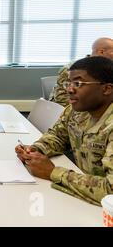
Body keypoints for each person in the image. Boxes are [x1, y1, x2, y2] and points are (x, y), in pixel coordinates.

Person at [16, 56, 113, 206]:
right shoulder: (77, 110)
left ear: (106, 88)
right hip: (84, 200)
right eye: (69, 83)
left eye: (78, 83)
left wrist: (53, 172)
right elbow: (58, 136)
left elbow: (110, 190)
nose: (69, 89)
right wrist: (36, 149)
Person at [49, 37, 113, 106]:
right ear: (101, 52)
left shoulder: (106, 67)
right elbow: (61, 98)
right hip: (66, 108)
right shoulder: (74, 68)